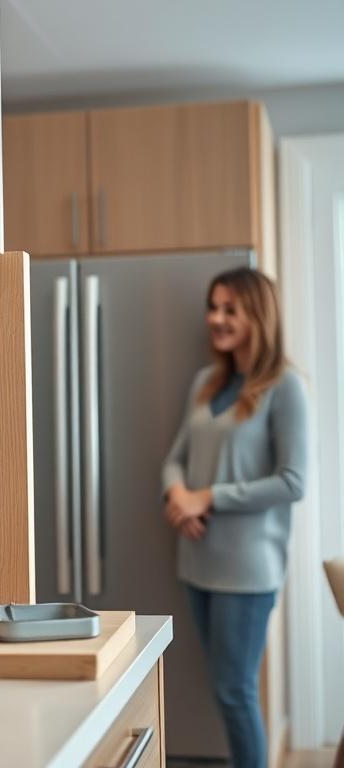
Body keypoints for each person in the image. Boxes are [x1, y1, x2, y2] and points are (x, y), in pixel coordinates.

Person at [162, 267, 306, 768]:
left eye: (229, 309)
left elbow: (293, 481)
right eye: (213, 307)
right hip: (196, 561)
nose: (215, 318)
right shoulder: (206, 382)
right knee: (225, 689)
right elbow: (175, 457)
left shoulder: (286, 388)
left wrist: (209, 497)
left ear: (257, 315)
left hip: (248, 571)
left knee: (234, 691)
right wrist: (178, 497)